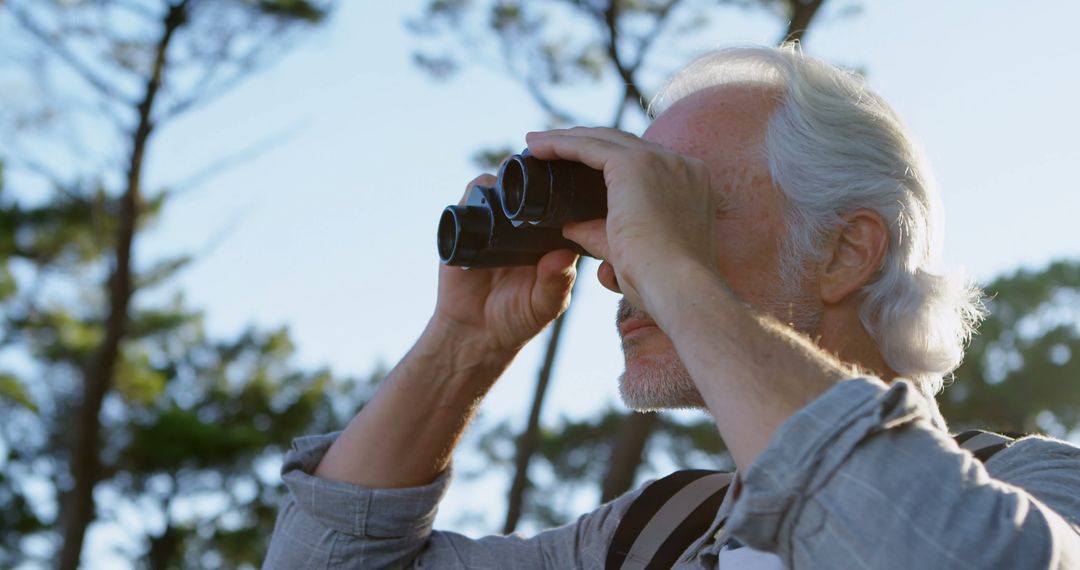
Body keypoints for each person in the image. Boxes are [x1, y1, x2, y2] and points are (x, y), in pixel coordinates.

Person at [263, 44, 1080, 569]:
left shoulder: (1043, 489)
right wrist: (463, 344)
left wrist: (677, 272)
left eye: (677, 209)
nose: (621, 267)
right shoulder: (651, 536)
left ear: (845, 252)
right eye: (628, 220)